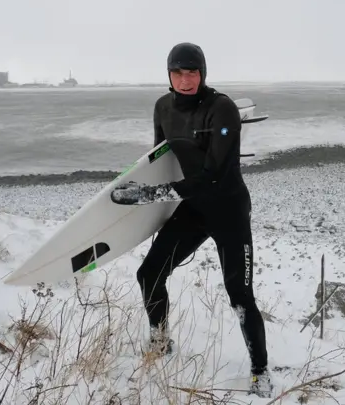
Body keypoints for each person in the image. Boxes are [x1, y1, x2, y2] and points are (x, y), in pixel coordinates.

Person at [110, 42, 273, 398]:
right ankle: (160, 341)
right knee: (149, 274)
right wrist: (139, 192)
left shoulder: (222, 109)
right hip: (192, 208)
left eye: (192, 72)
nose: (185, 80)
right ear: (168, 75)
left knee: (239, 293)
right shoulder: (163, 108)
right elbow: (158, 159)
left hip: (228, 210)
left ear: (203, 73)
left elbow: (213, 175)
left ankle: (260, 370)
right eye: (178, 73)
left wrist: (152, 196)